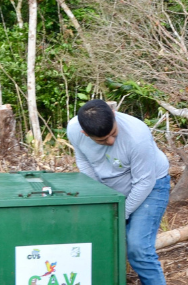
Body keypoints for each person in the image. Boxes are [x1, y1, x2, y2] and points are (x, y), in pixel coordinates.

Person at [67, 99, 170, 285]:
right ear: (85, 133)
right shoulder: (75, 130)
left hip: (151, 186)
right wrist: (102, 197)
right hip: (111, 188)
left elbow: (144, 181)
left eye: (113, 133)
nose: (111, 141)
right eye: (102, 140)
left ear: (114, 114)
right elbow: (83, 161)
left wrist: (120, 213)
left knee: (138, 247)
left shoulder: (137, 135)